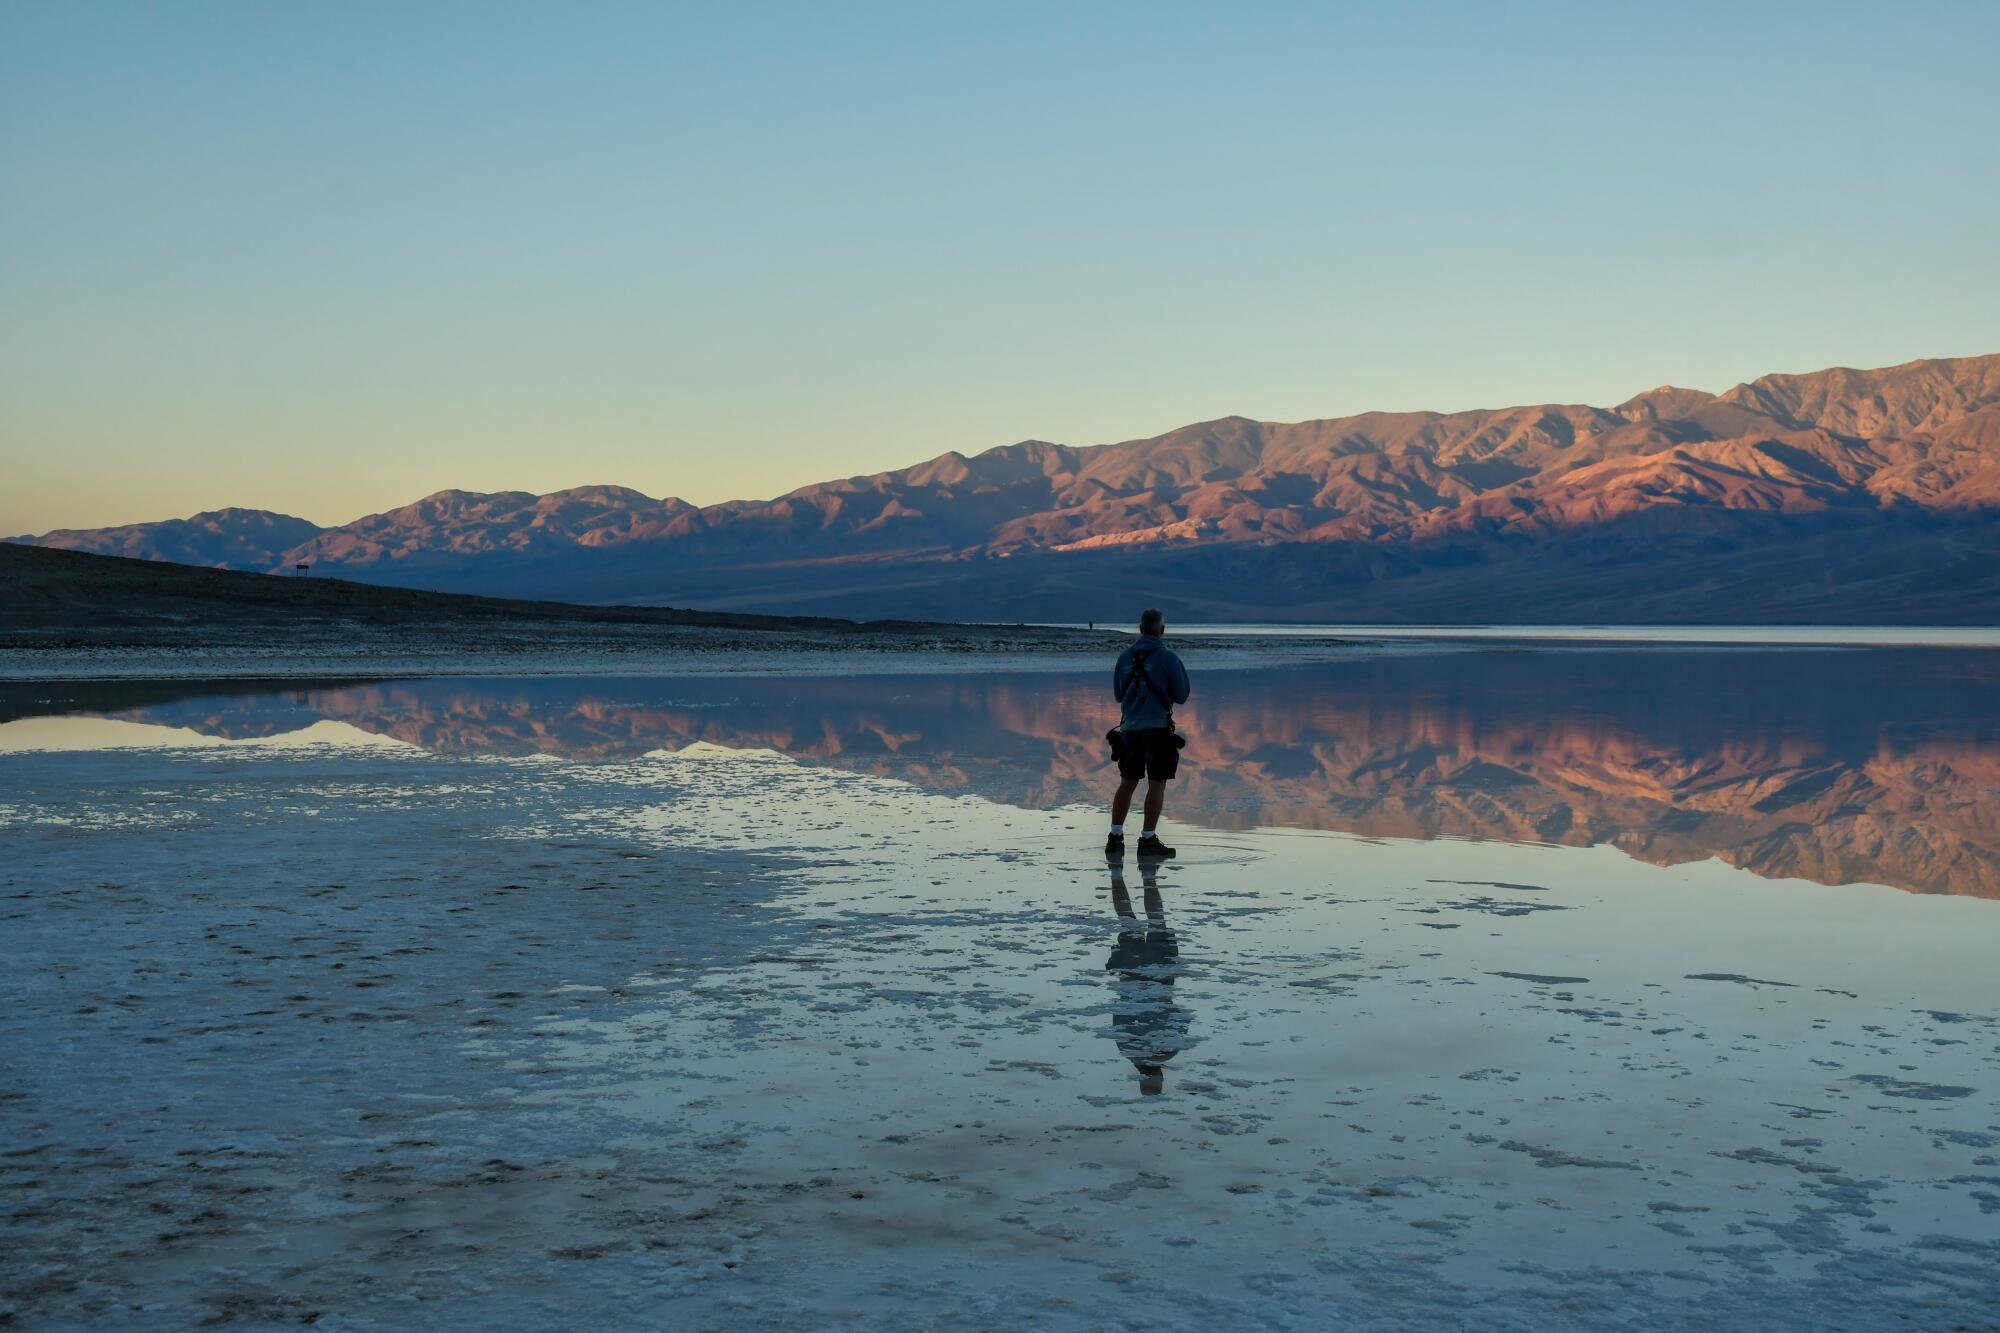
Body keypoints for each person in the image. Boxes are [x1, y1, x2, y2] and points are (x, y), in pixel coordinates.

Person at [1107, 607, 1190, 859]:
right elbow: (1182, 695)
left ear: (1141, 629)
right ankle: (1147, 839)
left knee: (1128, 781)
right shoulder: (1168, 658)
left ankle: (1115, 837)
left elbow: (1118, 695)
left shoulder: (1124, 657)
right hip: (1157, 730)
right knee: (1156, 784)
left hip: (1130, 730)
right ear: (1161, 630)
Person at [1105, 857, 1190, 1095]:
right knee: (1127, 920)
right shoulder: (1126, 1048)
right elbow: (1118, 1013)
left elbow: (1181, 1018)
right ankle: (1116, 873)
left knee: (1156, 921)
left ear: (1159, 1078)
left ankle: (1148, 876)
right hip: (1131, 976)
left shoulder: (1169, 1050)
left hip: (1160, 976)